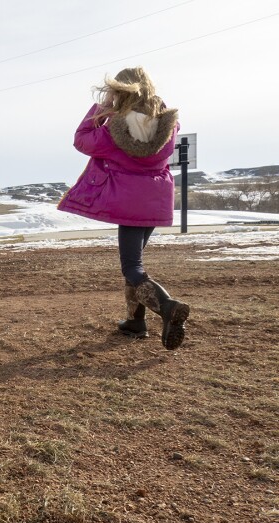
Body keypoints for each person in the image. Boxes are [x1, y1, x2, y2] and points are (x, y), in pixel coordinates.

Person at [57, 67, 190, 350]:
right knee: (135, 264)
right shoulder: (168, 125)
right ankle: (134, 322)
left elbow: (81, 140)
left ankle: (167, 307)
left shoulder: (114, 129)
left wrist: (101, 109)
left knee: (132, 267)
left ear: (121, 92)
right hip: (155, 197)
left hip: (128, 200)